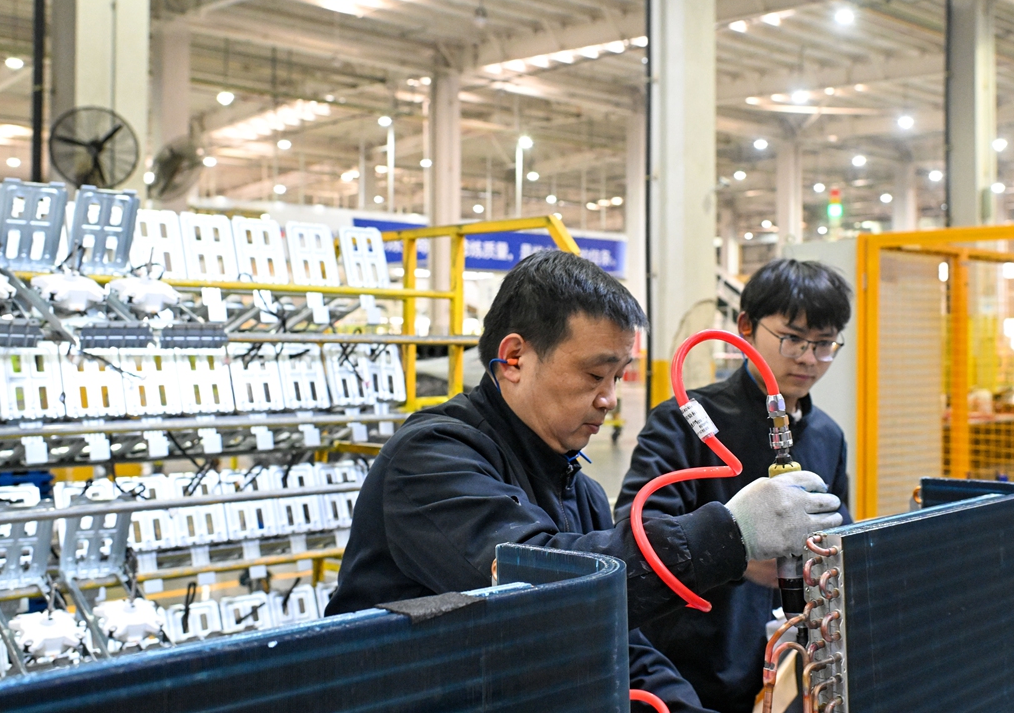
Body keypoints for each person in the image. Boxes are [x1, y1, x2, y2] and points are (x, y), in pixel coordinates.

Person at [326, 250, 842, 712]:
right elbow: (539, 589)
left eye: (618, 377)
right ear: (514, 358)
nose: (610, 399)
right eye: (595, 375)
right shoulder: (432, 458)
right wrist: (730, 533)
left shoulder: (579, 490)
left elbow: (621, 646)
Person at [614, 258, 853, 713]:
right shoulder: (687, 422)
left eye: (824, 344)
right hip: (693, 668)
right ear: (745, 327)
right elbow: (638, 532)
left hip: (791, 669)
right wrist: (737, 552)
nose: (808, 358)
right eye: (793, 338)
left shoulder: (828, 435)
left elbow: (839, 533)